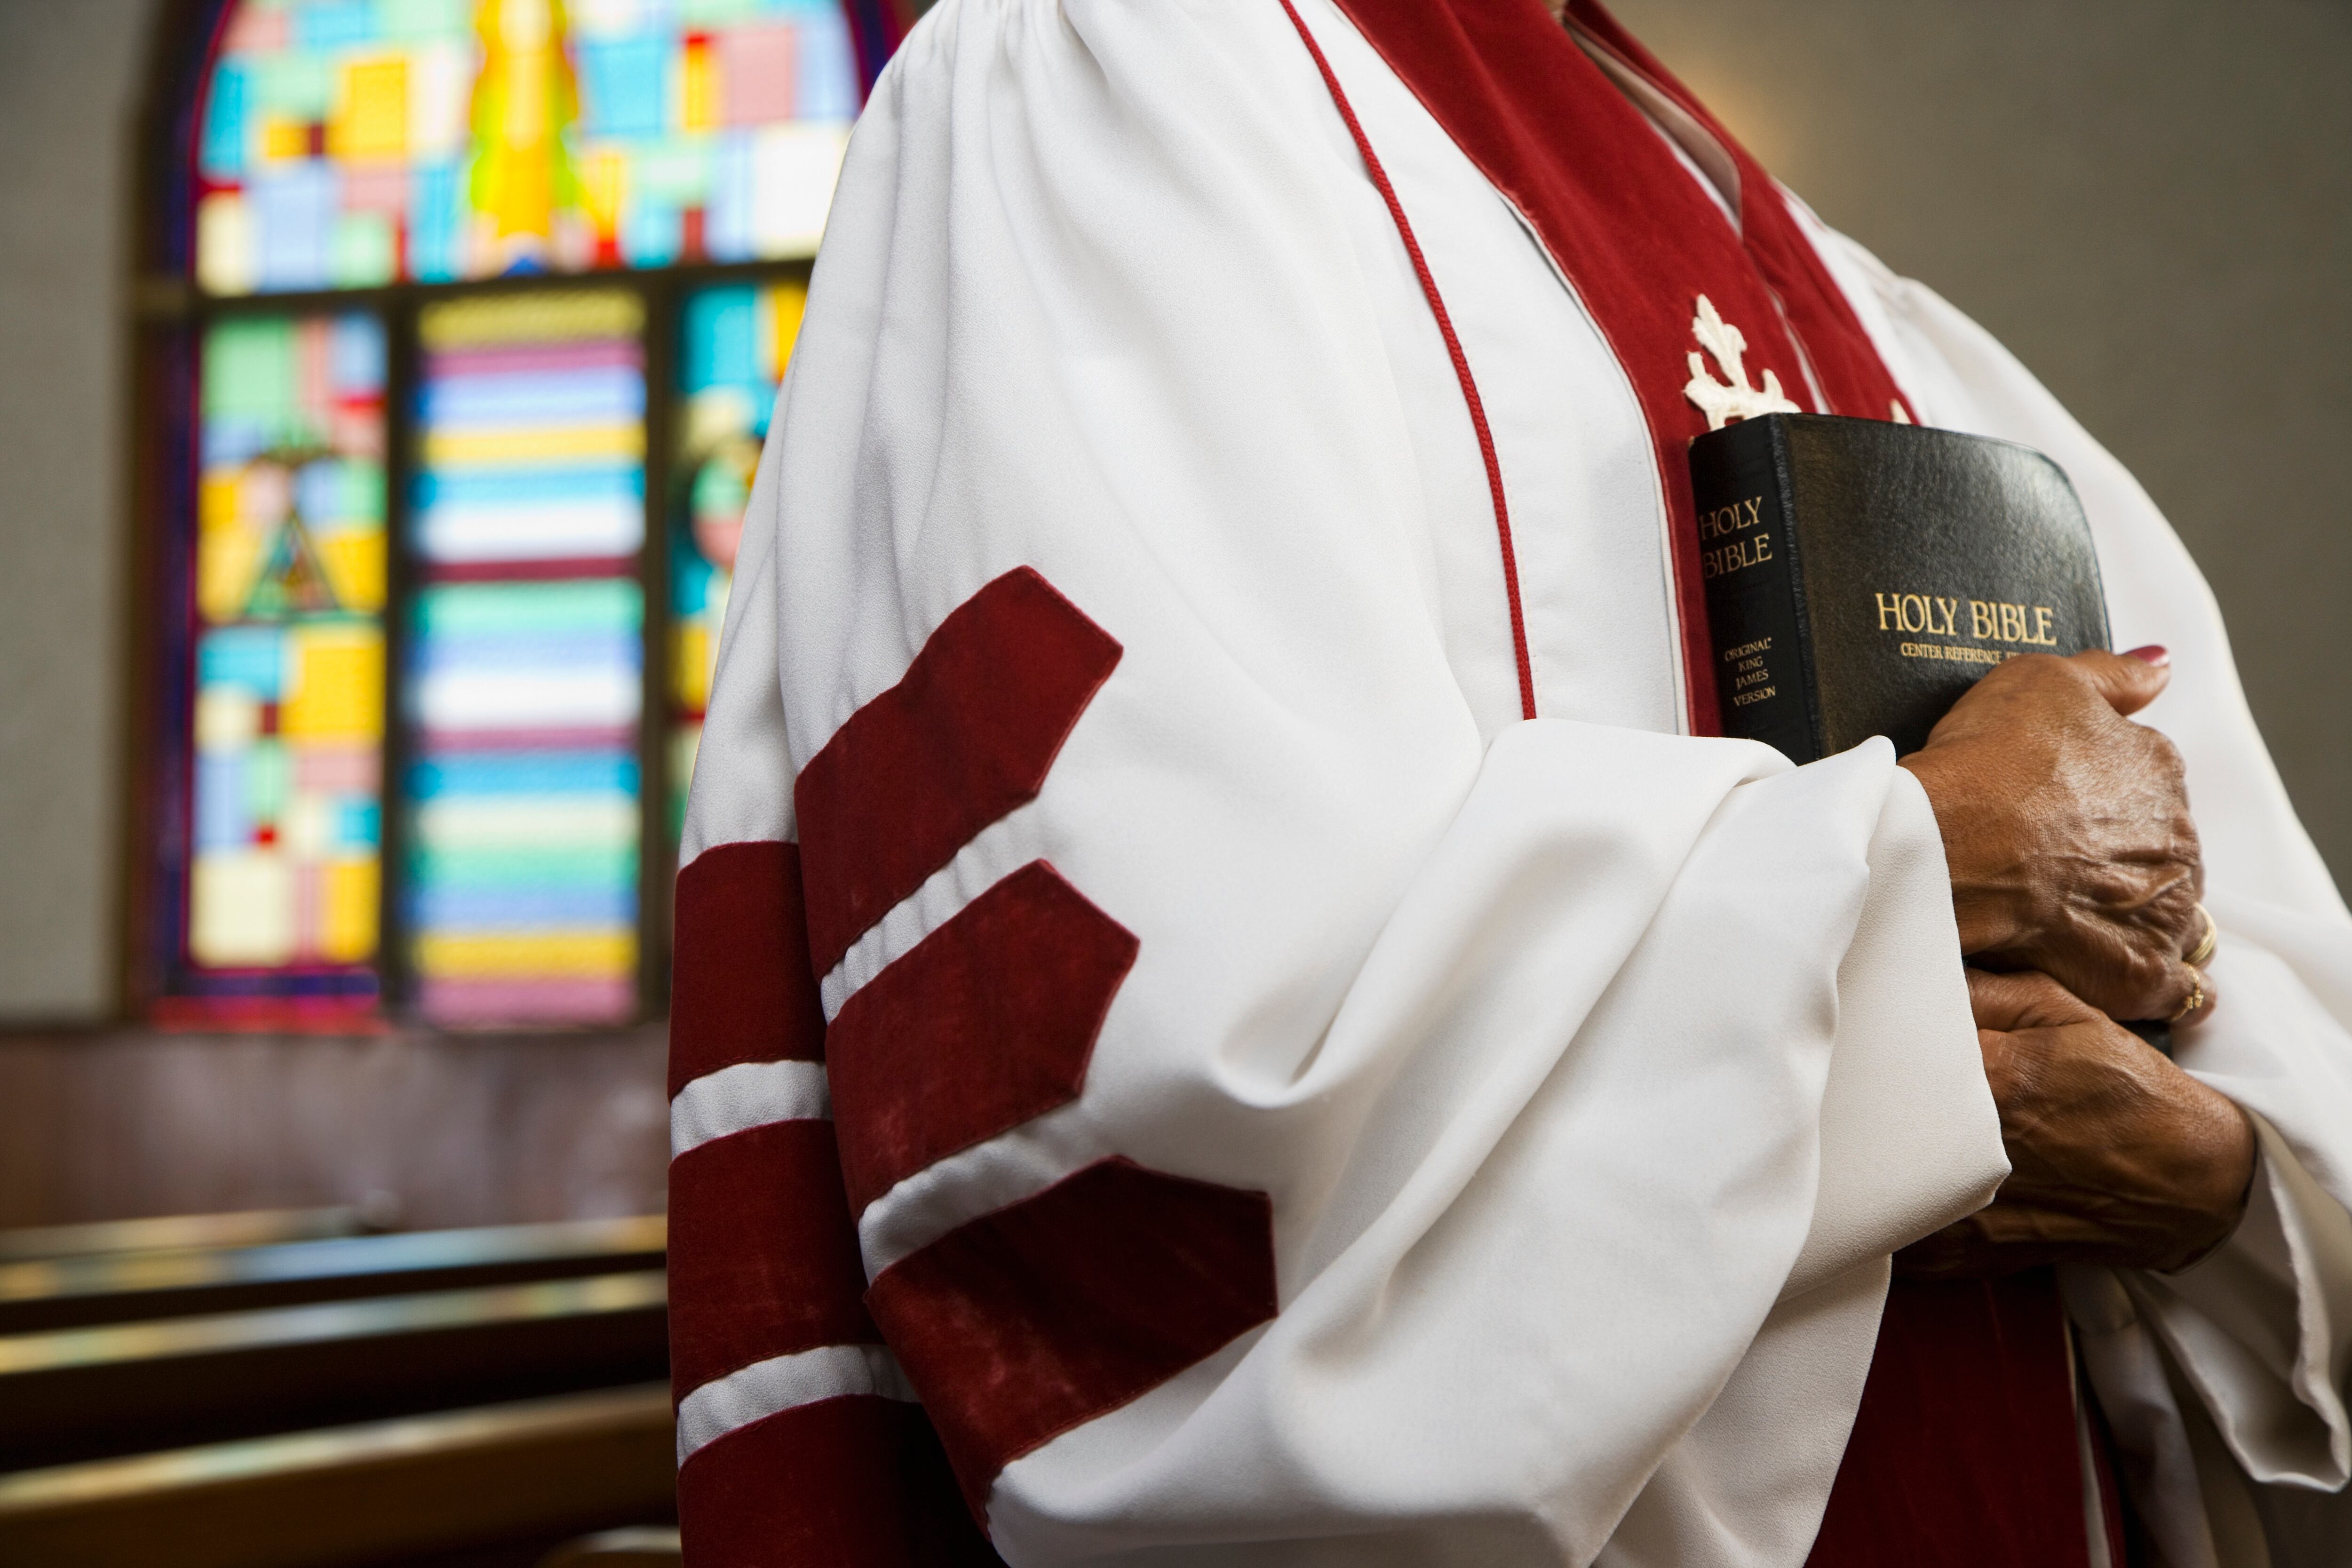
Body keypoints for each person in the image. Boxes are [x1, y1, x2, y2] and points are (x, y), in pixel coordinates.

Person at [663, 1, 2352, 1563]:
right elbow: (1141, 1090)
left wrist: (2215, 1176)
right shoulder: (1130, 80)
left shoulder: (1863, 305)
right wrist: (1919, 882)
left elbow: (2267, 1001)